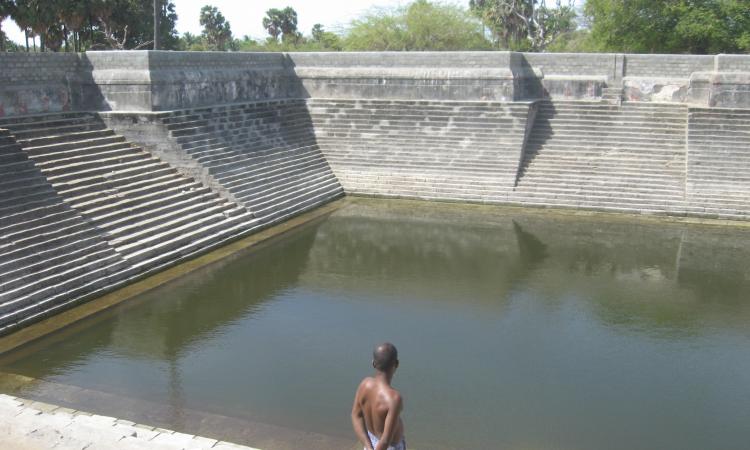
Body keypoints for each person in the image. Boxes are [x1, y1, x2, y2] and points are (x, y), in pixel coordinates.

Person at [351, 342, 406, 450]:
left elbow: (356, 416)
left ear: (373, 363)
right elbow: (385, 440)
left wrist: (368, 446)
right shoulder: (394, 398)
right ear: (397, 364)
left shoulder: (364, 385)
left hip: (371, 442)